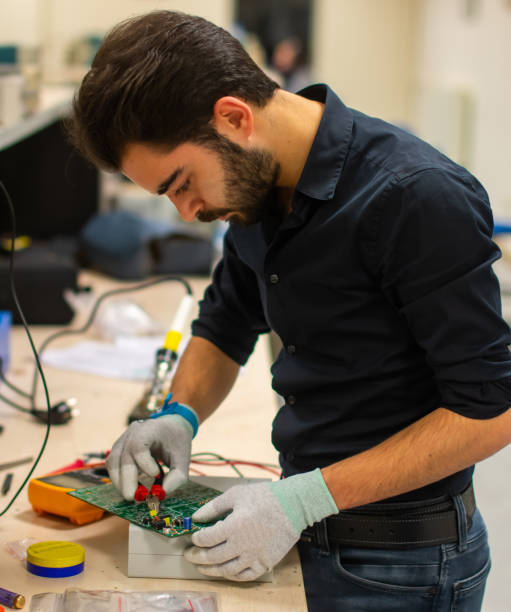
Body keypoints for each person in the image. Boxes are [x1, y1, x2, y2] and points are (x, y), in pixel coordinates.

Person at [68, 10, 511, 611]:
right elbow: (225, 322)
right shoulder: (258, 185)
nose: (185, 212)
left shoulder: (414, 196)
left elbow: (490, 410)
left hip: (404, 565)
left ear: (234, 118)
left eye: (180, 183)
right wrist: (178, 416)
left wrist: (302, 500)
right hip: (306, 530)